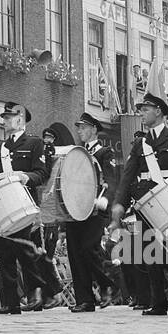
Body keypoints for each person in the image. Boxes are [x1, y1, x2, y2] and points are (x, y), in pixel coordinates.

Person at [110, 92, 168, 316]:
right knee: (150, 251)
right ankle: (160, 302)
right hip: (144, 203)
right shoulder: (140, 144)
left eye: (146, 109)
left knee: (163, 249)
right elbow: (127, 177)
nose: (142, 113)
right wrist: (119, 204)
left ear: (158, 111)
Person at [0, 103, 50, 317]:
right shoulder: (0, 146)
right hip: (1, 205)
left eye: (9, 117)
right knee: (4, 252)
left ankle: (36, 292)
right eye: (5, 117)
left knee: (25, 251)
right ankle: (11, 302)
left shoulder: (35, 143)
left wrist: (28, 177)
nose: (5, 121)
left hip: (23, 203)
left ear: (20, 119)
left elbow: (42, 172)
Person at [62, 111, 116, 312]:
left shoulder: (104, 153)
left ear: (94, 129)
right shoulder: (76, 153)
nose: (79, 130)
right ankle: (84, 300)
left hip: (94, 210)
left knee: (88, 248)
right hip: (74, 208)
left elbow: (111, 180)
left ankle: (107, 284)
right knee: (75, 254)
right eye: (78, 127)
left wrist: (104, 199)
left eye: (83, 127)